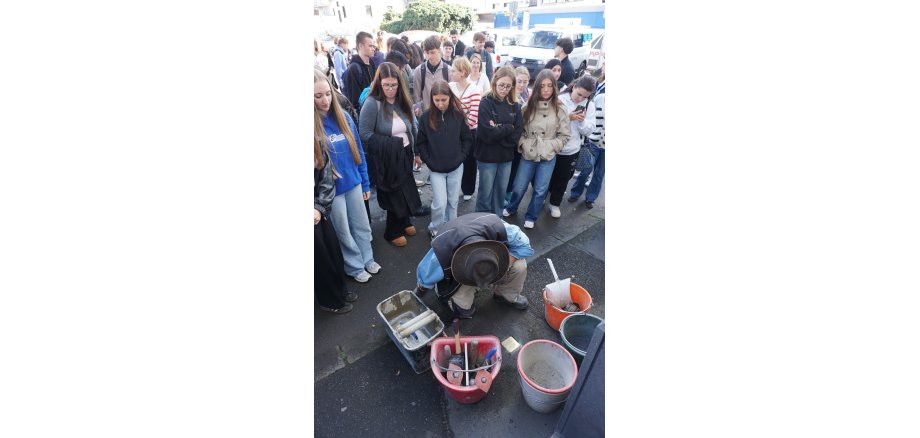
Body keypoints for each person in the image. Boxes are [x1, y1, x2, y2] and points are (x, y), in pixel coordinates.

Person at [314, 68, 381, 283]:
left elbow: (358, 151)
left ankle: (368, 258)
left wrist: (365, 183)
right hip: (331, 191)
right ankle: (353, 266)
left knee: (361, 224)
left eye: (327, 93)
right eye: (317, 96)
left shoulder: (343, 117)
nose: (325, 100)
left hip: (353, 183)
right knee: (343, 231)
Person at [415, 212, 533, 319]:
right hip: (460, 274)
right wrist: (419, 292)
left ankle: (505, 294)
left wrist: (506, 264)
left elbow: (525, 246)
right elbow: (425, 275)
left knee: (520, 265)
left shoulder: (498, 228)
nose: (484, 286)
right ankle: (450, 299)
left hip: (486, 260)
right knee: (465, 311)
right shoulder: (443, 250)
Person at [358, 62, 423, 247]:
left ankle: (404, 221)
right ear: (379, 83)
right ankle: (392, 230)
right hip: (386, 157)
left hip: (405, 152)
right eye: (386, 85)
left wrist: (417, 152)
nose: (390, 89)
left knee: (406, 189)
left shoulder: (403, 100)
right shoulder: (372, 103)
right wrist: (392, 144)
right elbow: (364, 134)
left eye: (394, 85)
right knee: (394, 192)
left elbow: (413, 126)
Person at [503, 69, 571, 229]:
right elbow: (517, 130)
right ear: (537, 87)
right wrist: (524, 144)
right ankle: (511, 207)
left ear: (555, 87)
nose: (546, 89)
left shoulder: (560, 108)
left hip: (547, 155)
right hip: (529, 153)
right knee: (519, 187)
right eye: (542, 86)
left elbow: (565, 135)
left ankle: (531, 216)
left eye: (550, 86)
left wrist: (551, 147)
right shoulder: (527, 107)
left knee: (540, 189)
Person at [416, 80, 473, 238]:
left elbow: (467, 139)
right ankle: (435, 228)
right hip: (436, 170)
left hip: (456, 167)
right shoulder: (426, 117)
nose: (440, 104)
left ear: (450, 97)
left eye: (444, 100)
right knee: (440, 203)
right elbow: (421, 142)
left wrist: (461, 157)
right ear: (432, 98)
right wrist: (429, 161)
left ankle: (451, 228)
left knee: (453, 202)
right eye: (437, 100)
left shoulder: (458, 115)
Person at [314, 114, 358, 314]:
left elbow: (325, 175)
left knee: (333, 251)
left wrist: (319, 207)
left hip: (317, 210)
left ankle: (340, 291)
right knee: (320, 259)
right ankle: (330, 301)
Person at [475, 66, 524, 216]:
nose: (504, 89)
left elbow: (517, 132)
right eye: (502, 85)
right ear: (495, 82)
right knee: (485, 193)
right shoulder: (486, 102)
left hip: (506, 157)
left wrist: (498, 128)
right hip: (487, 157)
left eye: (508, 86)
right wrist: (508, 127)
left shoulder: (515, 105)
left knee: (500, 193)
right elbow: (486, 134)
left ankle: (496, 220)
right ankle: (481, 222)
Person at [547, 75, 597, 218]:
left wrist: (581, 122)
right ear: (574, 87)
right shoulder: (560, 99)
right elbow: (548, 123)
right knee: (546, 176)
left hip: (572, 148)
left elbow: (589, 130)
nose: (580, 99)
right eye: (579, 94)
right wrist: (567, 118)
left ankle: (555, 203)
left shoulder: (589, 105)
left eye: (585, 97)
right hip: (553, 145)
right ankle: (543, 195)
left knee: (564, 178)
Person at [569, 64, 605, 208]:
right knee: (586, 168)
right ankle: (575, 192)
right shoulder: (600, 98)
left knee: (599, 174)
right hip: (594, 141)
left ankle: (590, 198)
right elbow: (592, 120)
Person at [449, 57, 481, 203]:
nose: (451, 72)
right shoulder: (450, 87)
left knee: (469, 161)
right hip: (452, 130)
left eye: (454, 70)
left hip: (469, 132)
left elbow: (474, 116)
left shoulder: (474, 90)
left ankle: (468, 189)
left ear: (462, 72)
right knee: (454, 159)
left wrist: (457, 126)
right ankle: (454, 188)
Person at [505, 66, 533, 204]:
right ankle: (504, 192)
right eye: (519, 81)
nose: (522, 85)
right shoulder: (509, 96)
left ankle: (509, 192)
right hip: (511, 138)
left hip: (524, 138)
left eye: (525, 81)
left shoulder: (529, 94)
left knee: (516, 168)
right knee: (507, 168)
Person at [412, 35, 452, 115]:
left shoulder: (449, 70)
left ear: (439, 50)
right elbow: (416, 98)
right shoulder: (418, 71)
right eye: (427, 53)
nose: (430, 56)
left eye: (433, 52)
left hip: (445, 115)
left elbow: (452, 96)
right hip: (426, 116)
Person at [343, 31, 378, 110]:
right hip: (363, 113)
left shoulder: (371, 63)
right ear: (360, 46)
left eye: (373, 46)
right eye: (370, 46)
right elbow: (354, 101)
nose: (373, 49)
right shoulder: (353, 69)